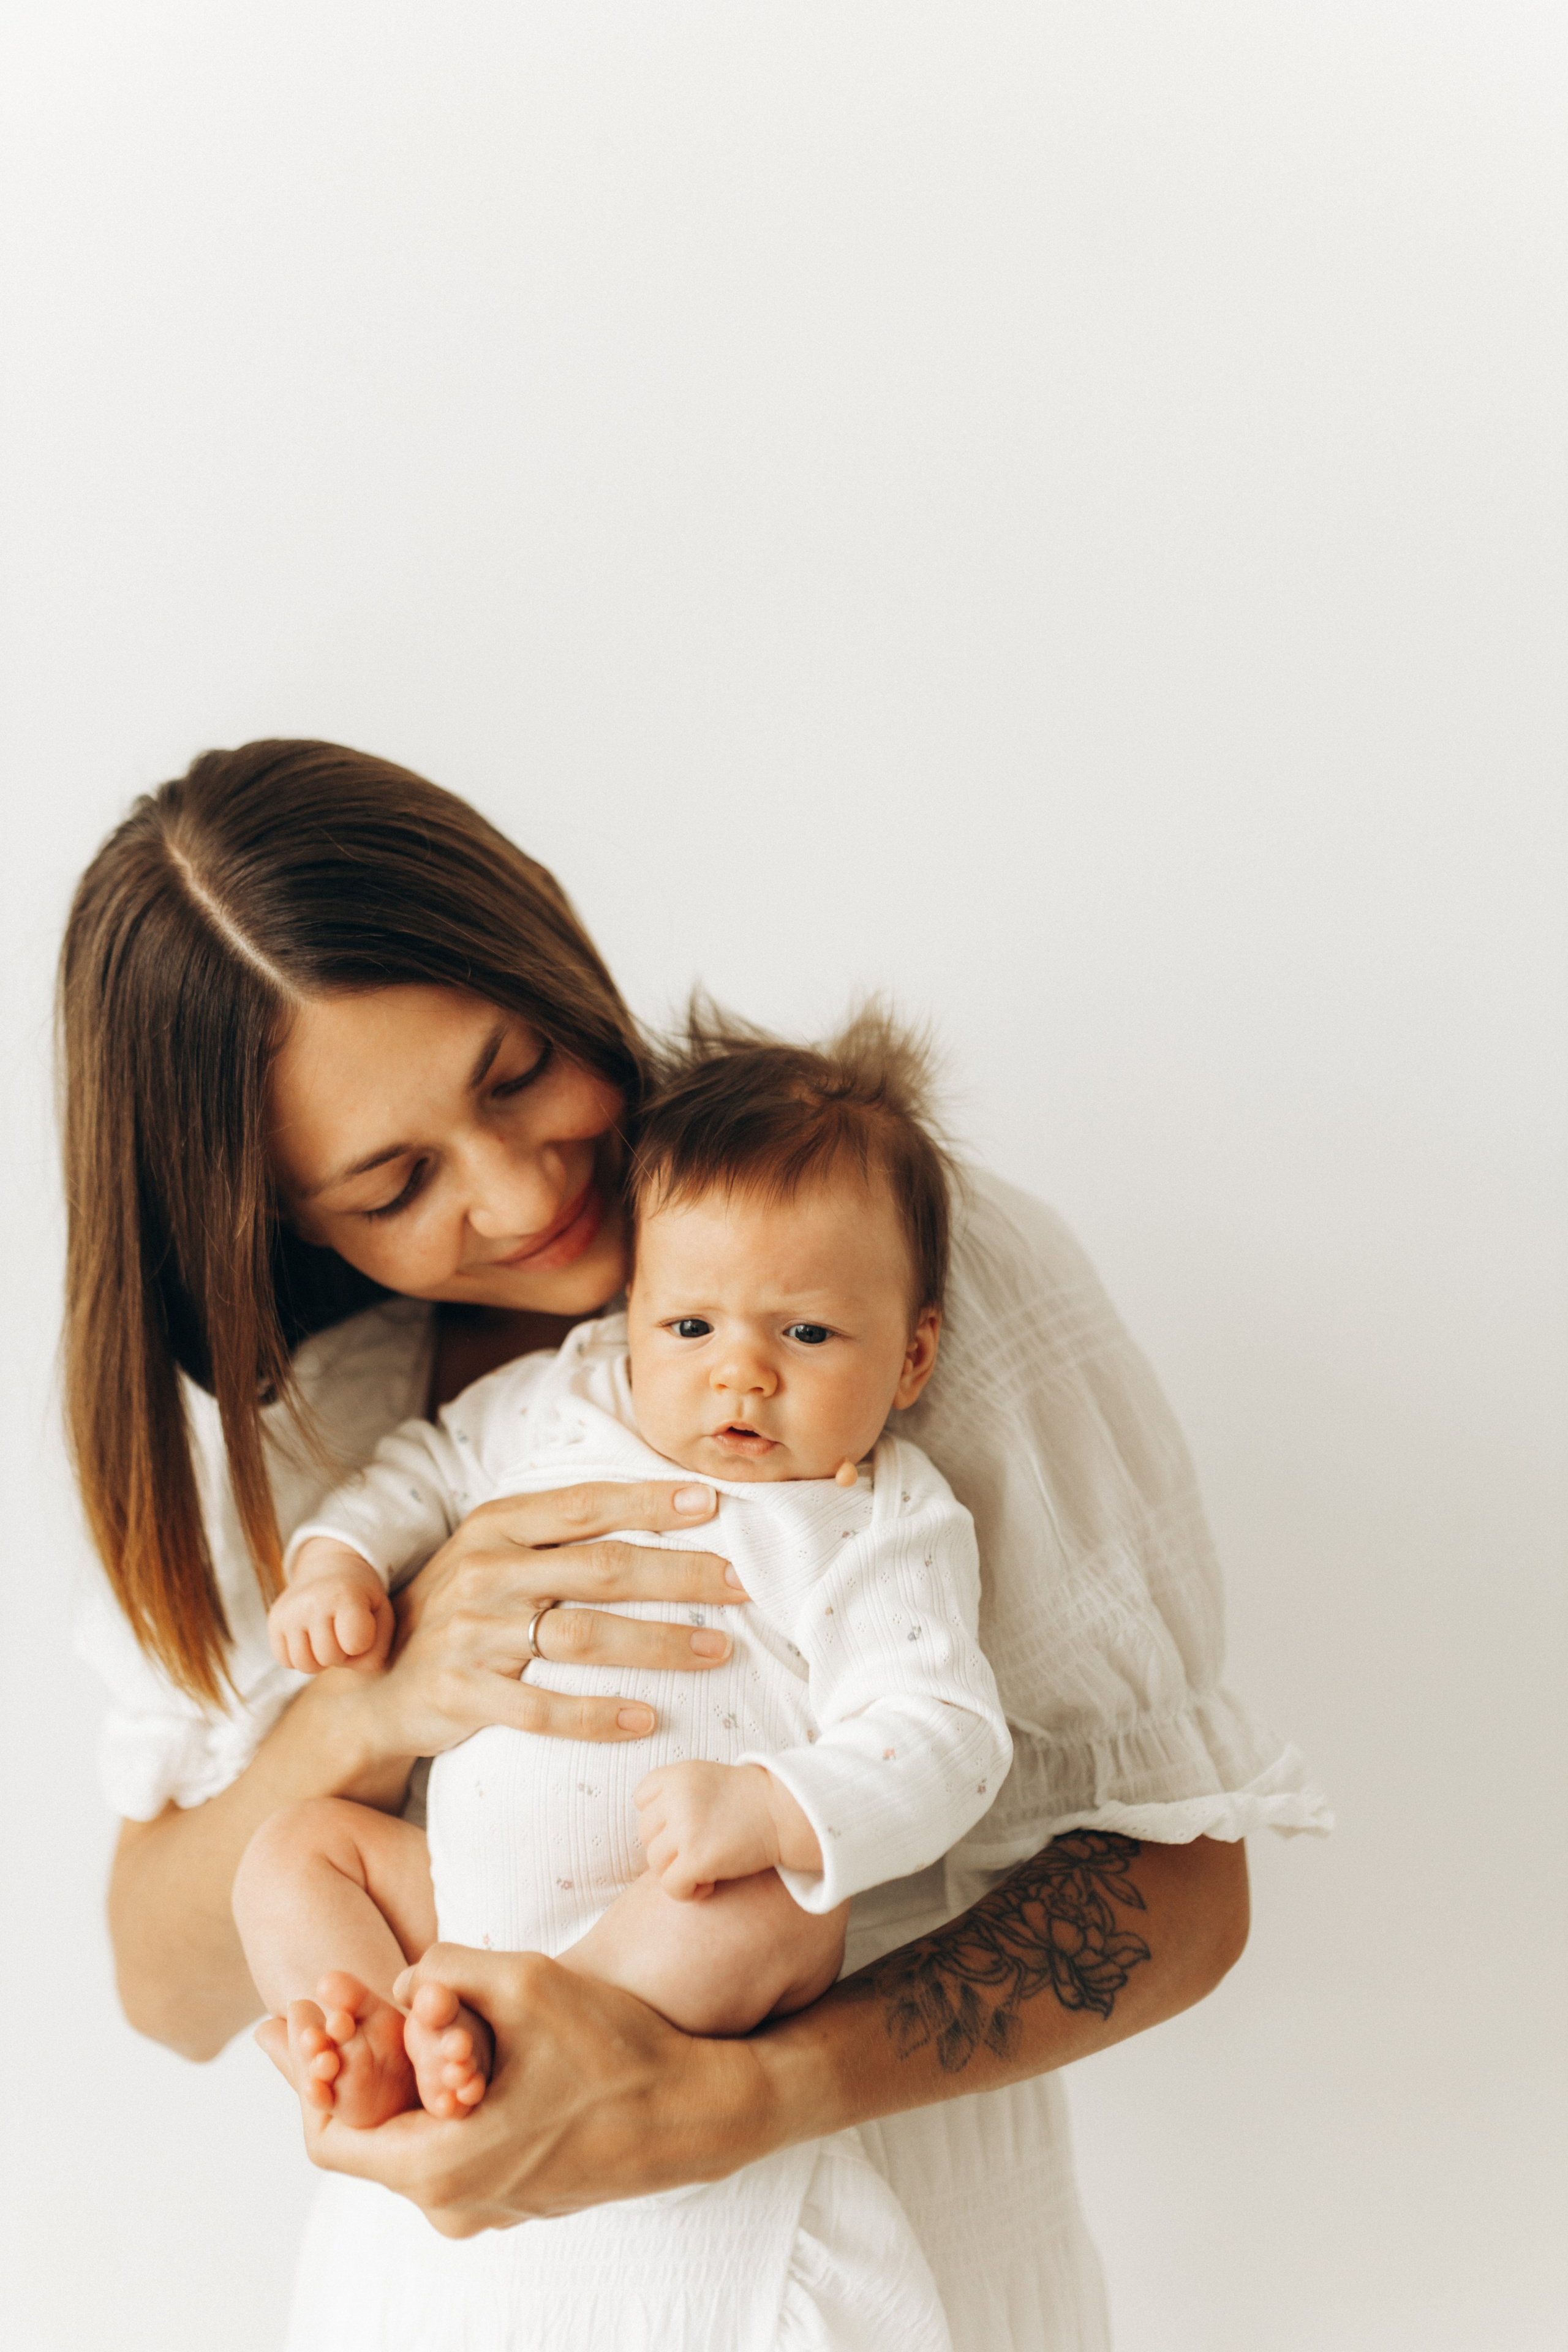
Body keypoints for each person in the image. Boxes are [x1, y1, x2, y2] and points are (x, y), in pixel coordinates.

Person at [64, 740, 1329, 2352]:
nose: (522, 1192)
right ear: (279, 1223)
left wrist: (728, 2097)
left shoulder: (862, 1268)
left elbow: (1187, 1895)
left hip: (892, 2280)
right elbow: (164, 1985)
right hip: (451, 2302)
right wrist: (372, 1708)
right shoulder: (314, 1420)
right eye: (397, 1182)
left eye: (517, 1072)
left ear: (544, 945)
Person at [233, 1012, 1010, 2127]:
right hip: (460, 1901)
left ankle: (540, 2039)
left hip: (657, 1923)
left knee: (778, 1917)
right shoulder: (575, 1391)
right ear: (631, 1314)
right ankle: (375, 2036)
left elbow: (946, 1733)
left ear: (912, 1355)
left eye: (807, 1336)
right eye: (691, 1324)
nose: (740, 1376)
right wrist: (338, 1561)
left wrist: (780, 1806)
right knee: (293, 1851)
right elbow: (430, 1465)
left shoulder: (875, 1521)